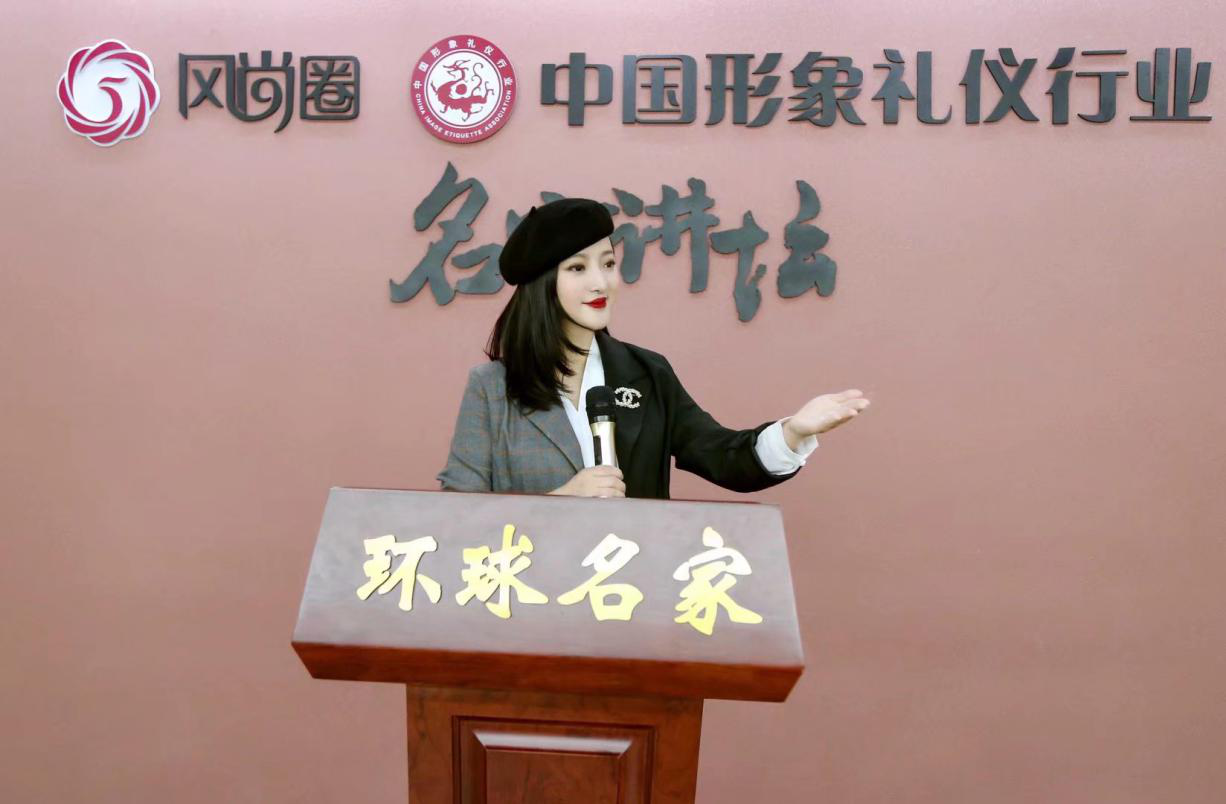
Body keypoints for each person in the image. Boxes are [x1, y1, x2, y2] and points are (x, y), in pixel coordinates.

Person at [437, 197, 869, 499]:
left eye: (608, 264)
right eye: (578, 268)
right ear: (542, 285)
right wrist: (559, 502)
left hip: (630, 591)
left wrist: (794, 432)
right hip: (532, 597)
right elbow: (458, 513)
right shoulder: (492, 388)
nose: (601, 282)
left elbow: (720, 454)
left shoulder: (645, 372)